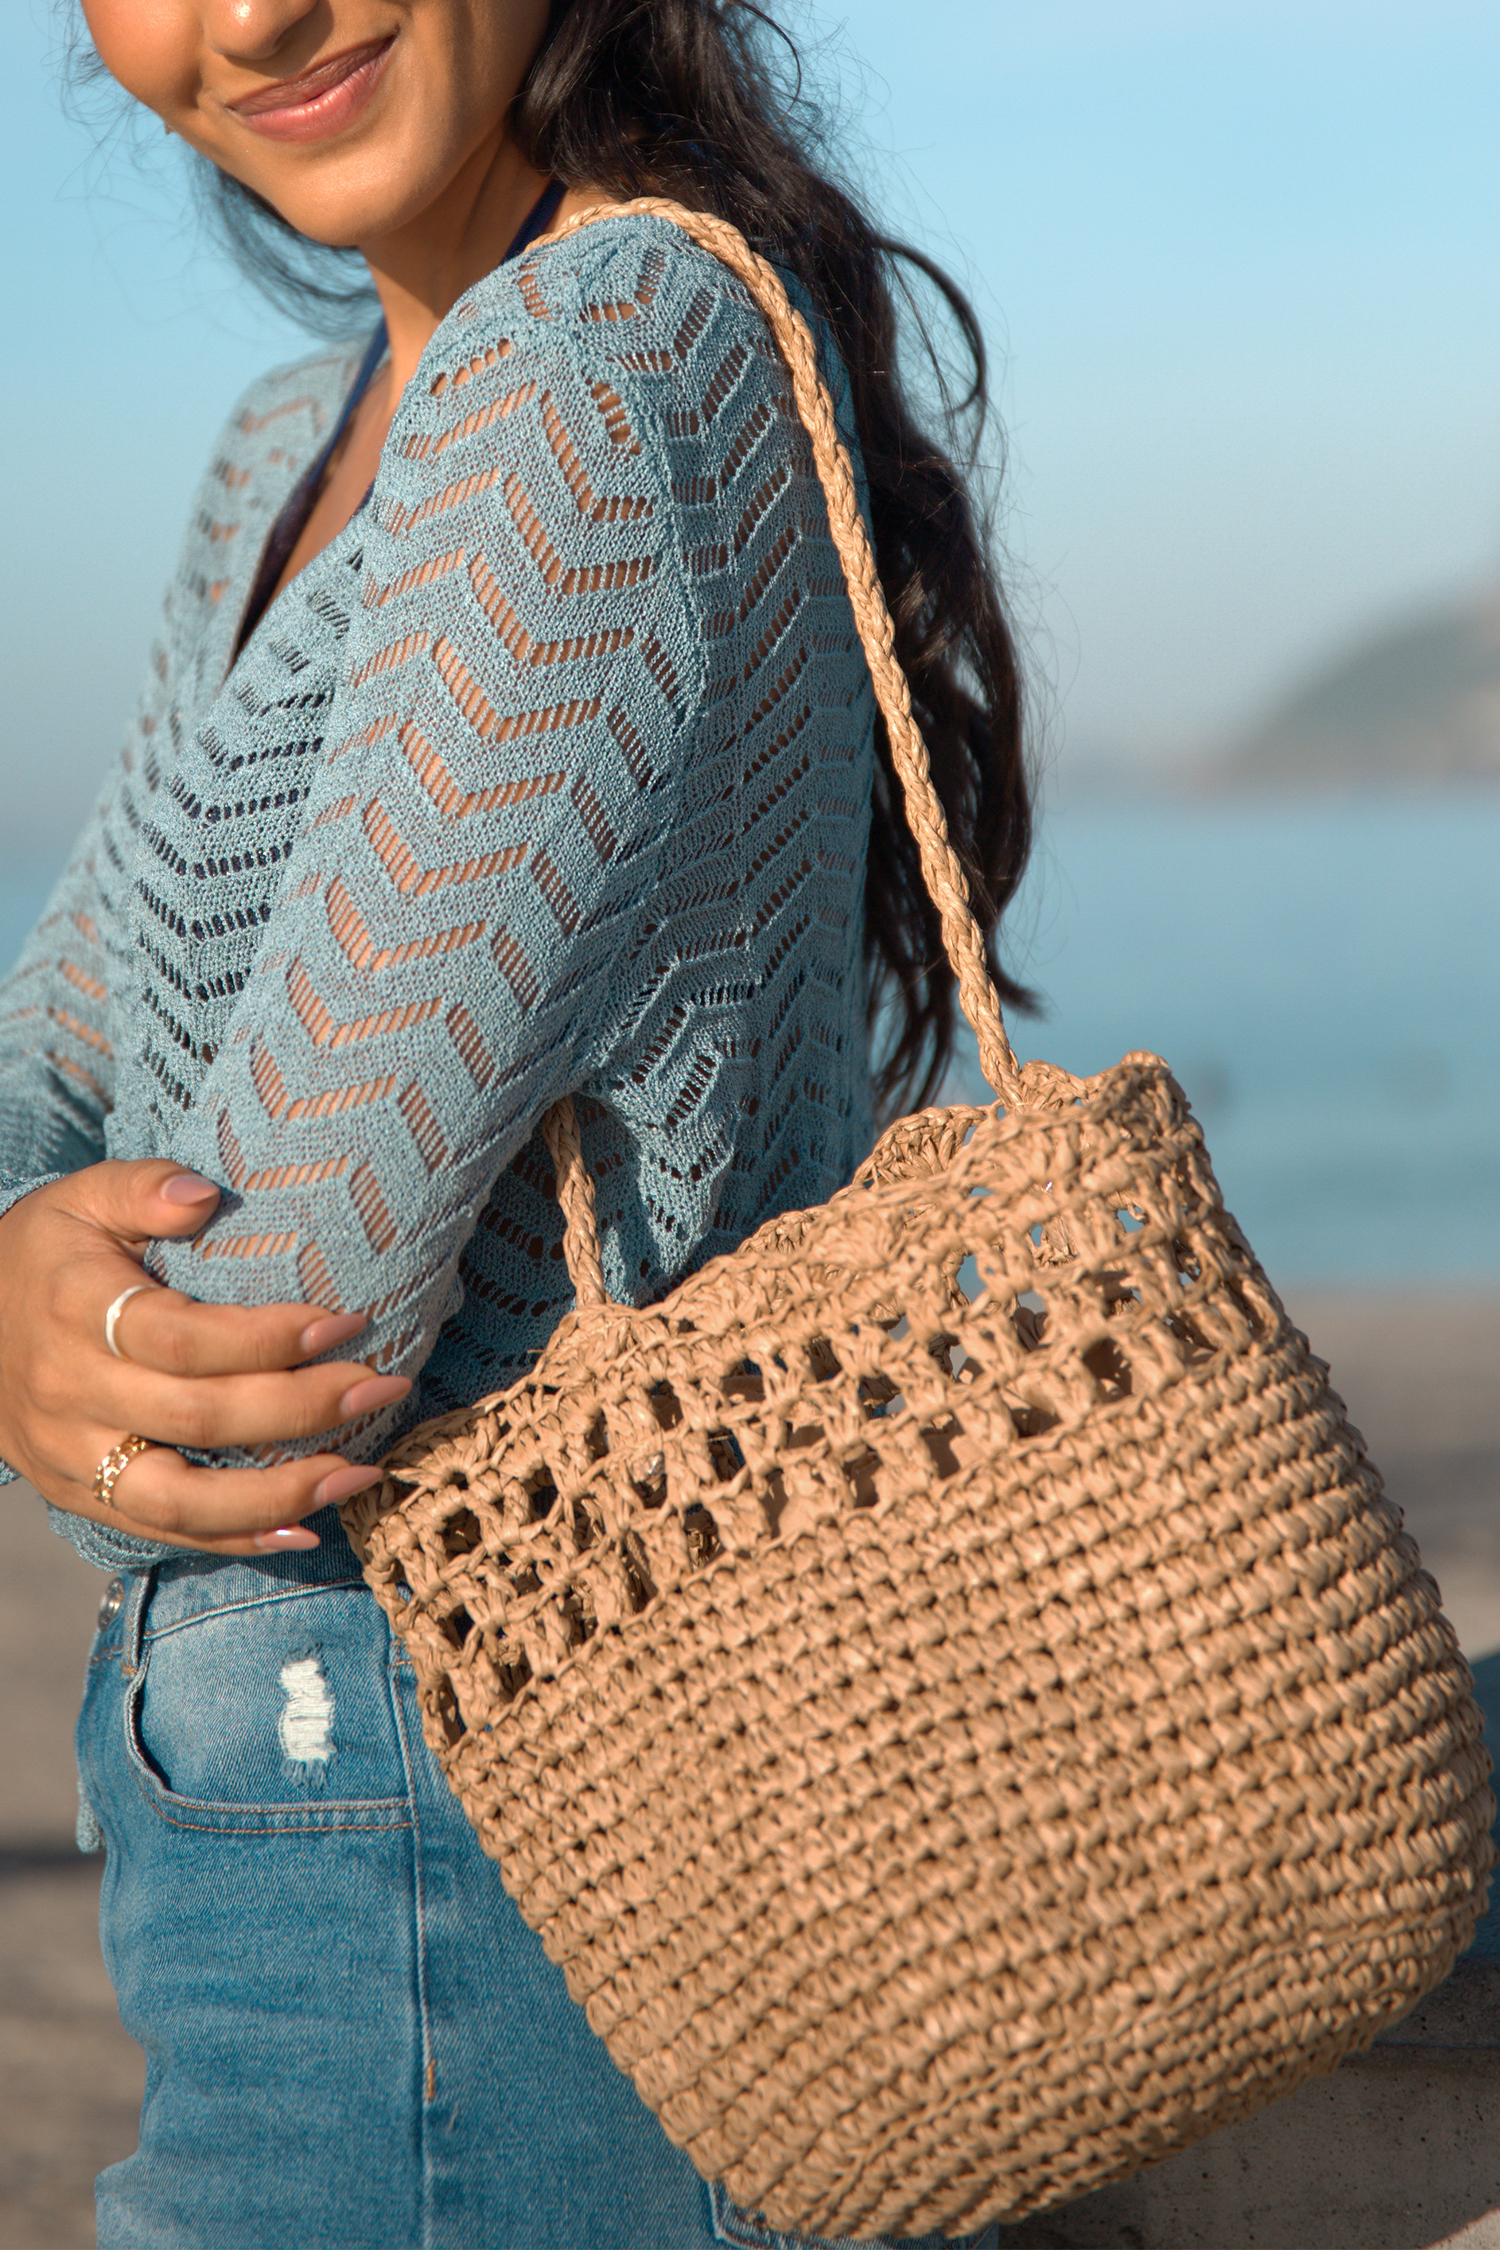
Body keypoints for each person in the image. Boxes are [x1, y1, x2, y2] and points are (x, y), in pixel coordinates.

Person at [0, 2, 1031, 2242]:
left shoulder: (596, 362)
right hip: (354, 1834)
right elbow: (43, 1062)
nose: (250, 17)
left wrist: (48, 1330)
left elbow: (281, 1327)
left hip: (462, 1826)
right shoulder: (288, 449)